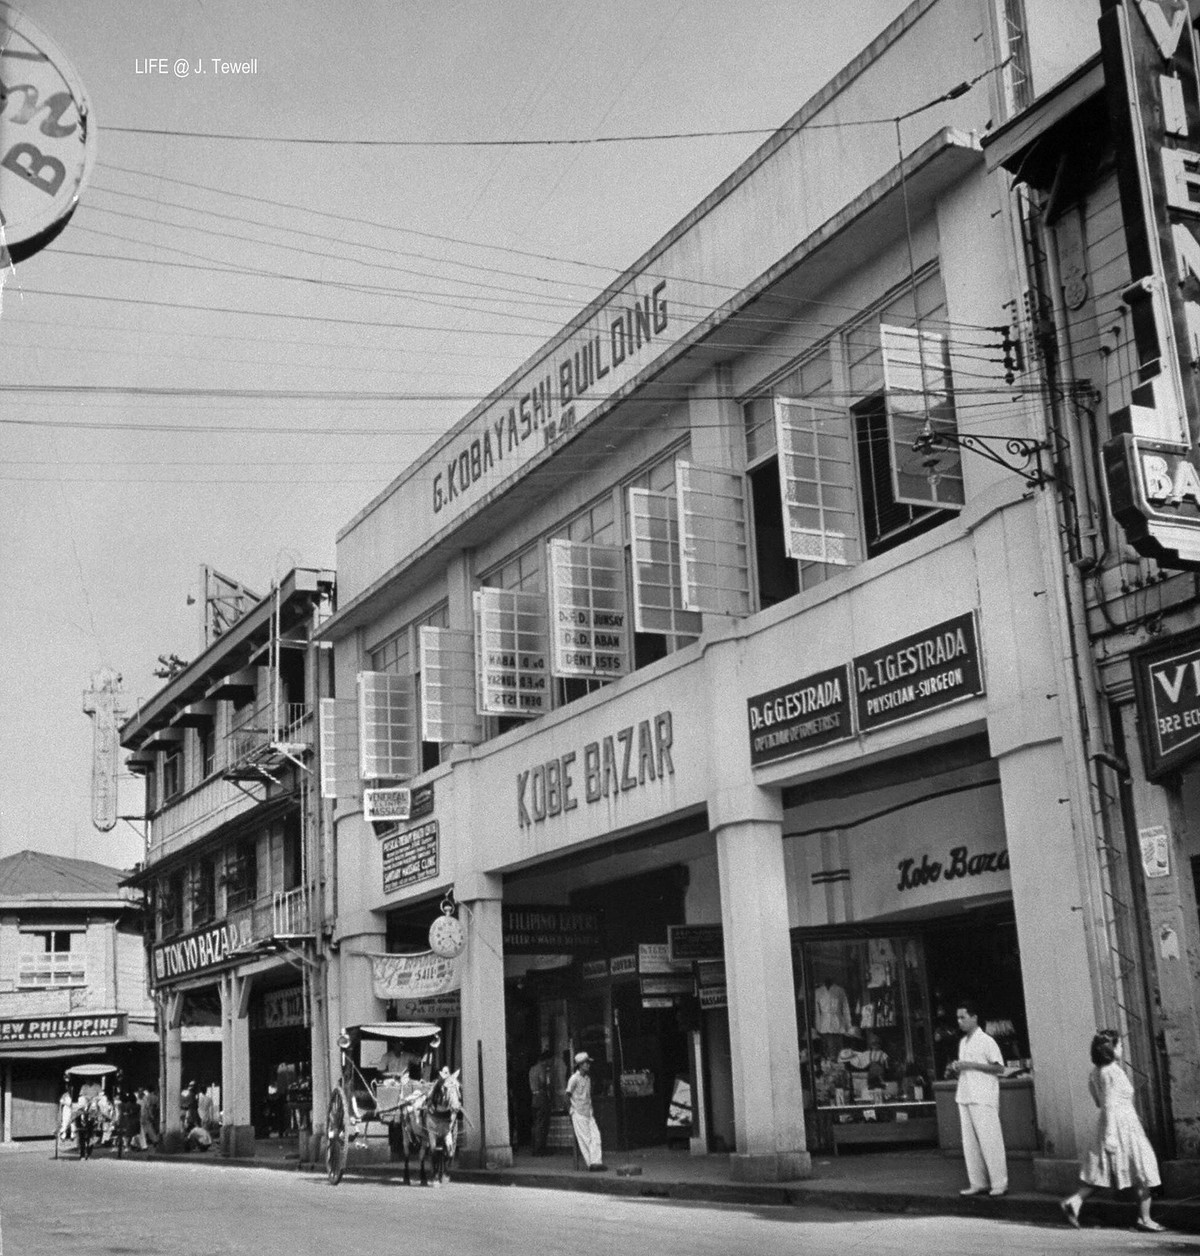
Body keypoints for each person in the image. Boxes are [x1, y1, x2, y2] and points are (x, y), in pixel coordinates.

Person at [1059, 1030, 1165, 1232]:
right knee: (1142, 1169)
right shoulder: (1113, 1072)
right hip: (1120, 1128)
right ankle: (1145, 1218)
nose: (1122, 1048)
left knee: (1103, 1171)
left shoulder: (1096, 1072)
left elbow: (1098, 1101)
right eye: (1119, 1045)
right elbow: (1107, 1104)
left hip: (1113, 1125)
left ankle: (1074, 1202)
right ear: (1110, 1049)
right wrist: (1112, 1134)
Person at [948, 999, 1007, 1197]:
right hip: (965, 1094)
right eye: (957, 1018)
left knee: (990, 1140)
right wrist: (958, 1067)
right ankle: (978, 1182)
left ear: (974, 1018)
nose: (959, 1021)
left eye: (963, 1017)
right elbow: (965, 1069)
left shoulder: (987, 1041)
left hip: (983, 1096)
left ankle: (999, 1182)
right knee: (970, 1143)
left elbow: (999, 1067)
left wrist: (971, 1065)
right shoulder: (963, 1042)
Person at [565, 1051, 606, 1171]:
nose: (588, 1065)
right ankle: (592, 1164)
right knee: (586, 1140)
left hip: (588, 1112)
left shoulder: (587, 1078)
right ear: (580, 1065)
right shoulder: (574, 1079)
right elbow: (566, 1096)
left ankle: (596, 1162)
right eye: (586, 1063)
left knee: (596, 1137)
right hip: (578, 1112)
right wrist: (571, 1112)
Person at [528, 1047, 554, 1156]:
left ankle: (535, 1147)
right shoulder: (542, 1069)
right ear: (546, 1060)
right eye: (551, 1060)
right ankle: (540, 1148)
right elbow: (543, 1082)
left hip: (534, 1097)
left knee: (536, 1123)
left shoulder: (532, 1069)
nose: (551, 1062)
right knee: (542, 1123)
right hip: (542, 1097)